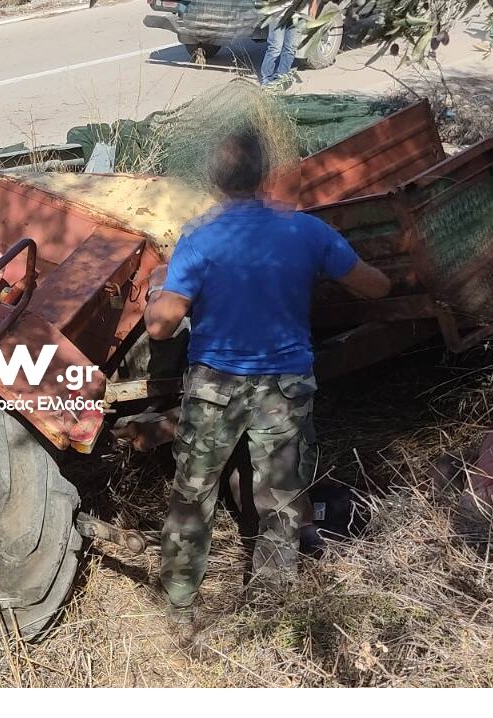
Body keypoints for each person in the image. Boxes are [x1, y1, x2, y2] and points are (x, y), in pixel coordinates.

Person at [144, 129, 391, 630]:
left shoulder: (199, 237)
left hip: (215, 387)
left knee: (195, 493)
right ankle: (270, 609)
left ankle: (180, 607)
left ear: (214, 180)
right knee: (281, 498)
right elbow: (375, 287)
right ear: (263, 177)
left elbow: (160, 326)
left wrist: (155, 292)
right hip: (285, 386)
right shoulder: (307, 231)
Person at [246, 0, 318, 88]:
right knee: (275, 47)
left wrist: (314, 3)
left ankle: (281, 79)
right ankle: (267, 81)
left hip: (299, 11)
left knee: (290, 48)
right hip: (279, 10)